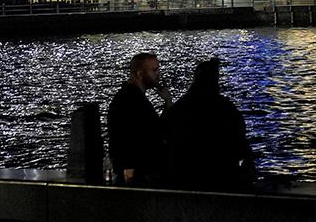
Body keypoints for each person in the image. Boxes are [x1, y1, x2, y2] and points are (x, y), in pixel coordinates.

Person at [162, 58, 254, 191]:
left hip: (183, 177)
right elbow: (240, 143)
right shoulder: (226, 108)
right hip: (221, 177)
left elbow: (166, 134)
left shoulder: (180, 107)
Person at [107, 52, 172, 186]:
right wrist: (168, 103)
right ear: (140, 74)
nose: (158, 74)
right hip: (139, 174)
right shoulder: (135, 101)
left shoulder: (126, 96)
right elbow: (158, 131)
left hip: (130, 171)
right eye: (154, 70)